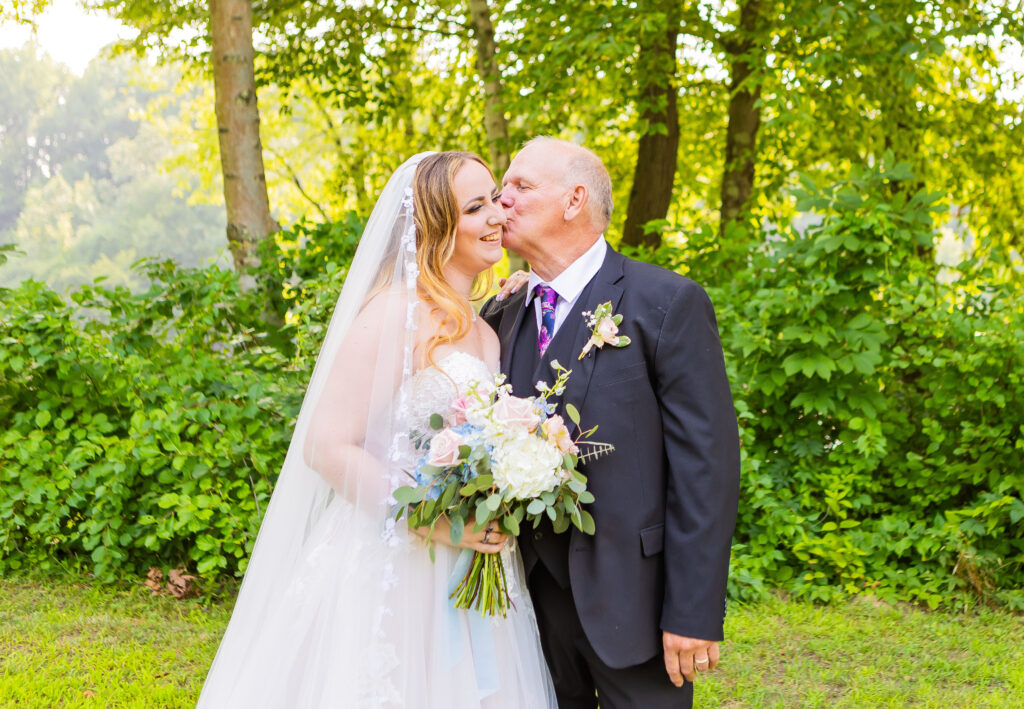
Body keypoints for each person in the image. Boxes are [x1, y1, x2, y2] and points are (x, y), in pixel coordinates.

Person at [197, 151, 557, 708]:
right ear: (437, 226)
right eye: (476, 206)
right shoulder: (395, 313)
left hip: (474, 561)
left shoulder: (486, 332)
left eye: (496, 200)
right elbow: (325, 445)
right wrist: (434, 521)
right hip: (396, 557)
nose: (497, 216)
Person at [480, 137, 741, 708]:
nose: (502, 200)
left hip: (637, 604)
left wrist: (693, 610)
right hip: (527, 606)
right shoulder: (500, 311)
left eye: (521, 186)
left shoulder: (667, 303)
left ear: (575, 200)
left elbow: (706, 470)